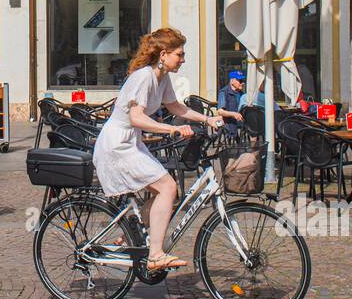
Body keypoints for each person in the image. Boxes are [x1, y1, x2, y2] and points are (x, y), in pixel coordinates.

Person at [91, 27, 240, 272]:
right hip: (117, 144)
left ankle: (132, 234)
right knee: (167, 187)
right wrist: (170, 130)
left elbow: (176, 108)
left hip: (131, 143)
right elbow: (136, 118)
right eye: (179, 54)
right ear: (163, 54)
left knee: (168, 192)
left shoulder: (162, 78)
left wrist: (207, 119)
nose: (183, 59)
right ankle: (156, 255)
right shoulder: (143, 77)